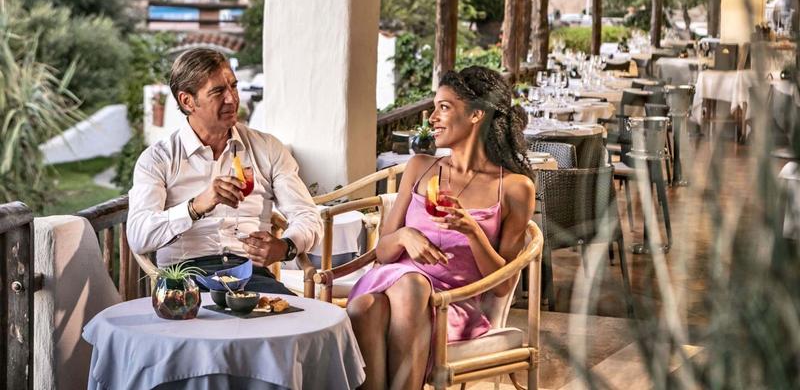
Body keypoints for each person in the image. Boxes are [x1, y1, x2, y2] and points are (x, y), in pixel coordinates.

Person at [347, 66, 537, 389]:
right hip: (393, 283)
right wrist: (407, 236)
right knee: (383, 298)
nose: (431, 118)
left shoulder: (515, 188)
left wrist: (472, 231)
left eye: (444, 107)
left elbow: (502, 287)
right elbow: (381, 251)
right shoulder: (420, 167)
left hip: (452, 305)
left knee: (379, 304)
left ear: (477, 114)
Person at [128, 48, 322, 294]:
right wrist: (195, 207)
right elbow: (139, 235)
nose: (232, 99)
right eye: (218, 91)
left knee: (299, 326)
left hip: (252, 278)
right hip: (186, 282)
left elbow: (307, 215)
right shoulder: (158, 159)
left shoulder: (268, 149)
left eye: (233, 86)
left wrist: (286, 247)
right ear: (187, 101)